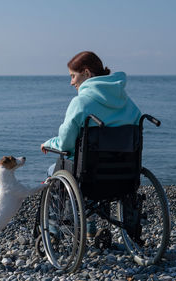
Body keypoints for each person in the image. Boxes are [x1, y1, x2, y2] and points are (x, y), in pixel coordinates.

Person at [40, 51, 142, 238]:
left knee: (55, 171)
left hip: (89, 175)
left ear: (86, 73)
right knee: (95, 165)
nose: (71, 82)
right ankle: (89, 227)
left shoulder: (81, 103)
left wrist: (48, 143)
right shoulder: (127, 102)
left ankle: (52, 229)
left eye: (73, 76)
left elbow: (65, 144)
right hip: (124, 174)